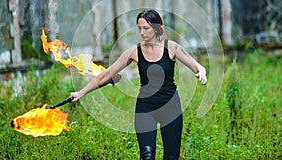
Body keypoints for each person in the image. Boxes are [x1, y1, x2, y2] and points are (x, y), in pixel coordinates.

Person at [70, 9, 207, 160]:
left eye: (146, 28)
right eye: (139, 28)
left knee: (171, 157)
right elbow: (107, 74)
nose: (142, 32)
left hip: (170, 109)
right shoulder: (134, 51)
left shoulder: (172, 47)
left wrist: (201, 72)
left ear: (156, 28)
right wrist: (81, 92)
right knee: (146, 156)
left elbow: (197, 66)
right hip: (145, 109)